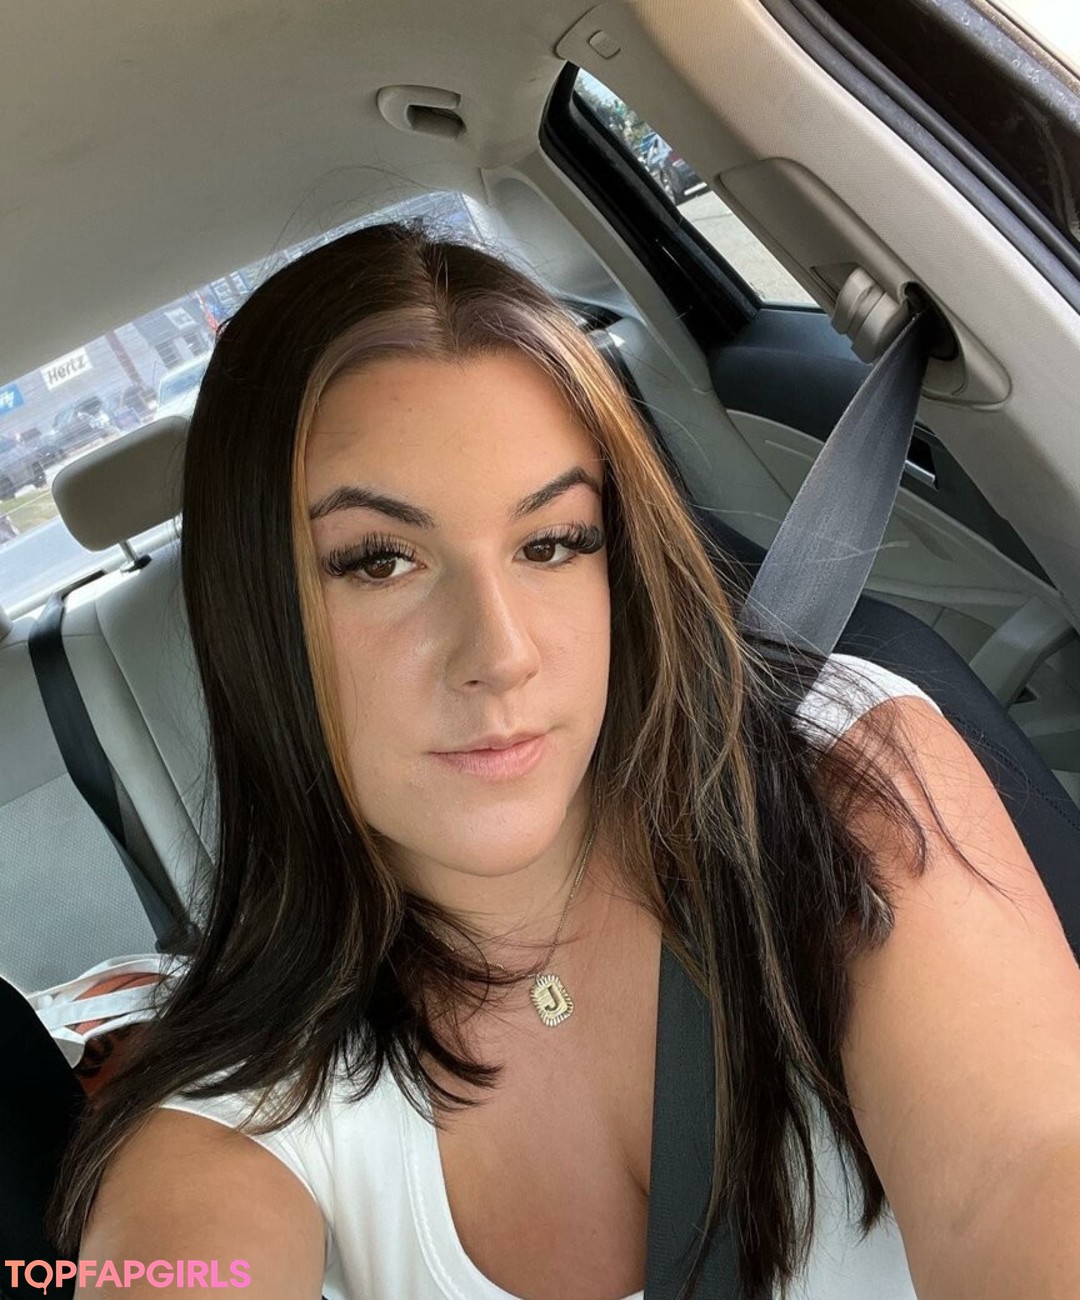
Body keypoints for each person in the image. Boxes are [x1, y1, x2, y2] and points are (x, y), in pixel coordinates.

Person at [49, 221, 1080, 1299]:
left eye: (551, 542)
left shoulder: (830, 776)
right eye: (380, 561)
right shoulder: (228, 1135)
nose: (501, 654)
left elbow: (1019, 1170)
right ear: (254, 616)